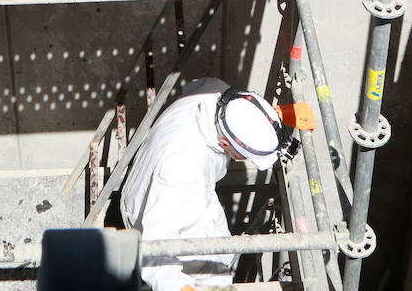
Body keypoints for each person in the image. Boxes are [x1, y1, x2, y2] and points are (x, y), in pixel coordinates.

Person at [120, 78, 312, 291]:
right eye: (243, 156)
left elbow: (207, 91)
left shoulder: (216, 94)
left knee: (218, 252)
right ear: (224, 143)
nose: (242, 160)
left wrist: (271, 117)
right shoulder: (182, 166)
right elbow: (154, 244)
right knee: (210, 276)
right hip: (151, 214)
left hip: (177, 189)